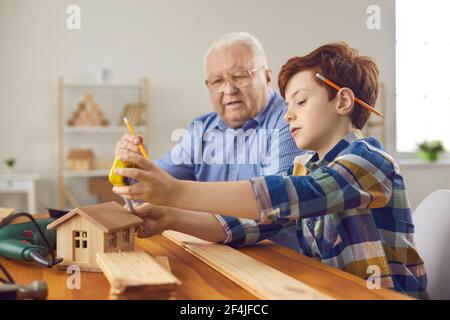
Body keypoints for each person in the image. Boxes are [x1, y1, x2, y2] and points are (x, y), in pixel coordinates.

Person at [112, 42, 428, 298]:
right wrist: (172, 218)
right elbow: (254, 224)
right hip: (331, 290)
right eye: (287, 107)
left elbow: (294, 195)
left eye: (300, 102)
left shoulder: (369, 159)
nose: (288, 116)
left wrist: (177, 192)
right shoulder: (306, 166)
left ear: (343, 101)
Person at [116, 32, 304, 250]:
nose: (229, 89)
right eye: (217, 81)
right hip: (216, 254)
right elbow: (157, 185)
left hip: (283, 262)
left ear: (267, 77)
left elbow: (276, 207)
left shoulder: (290, 121)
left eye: (240, 76)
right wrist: (134, 166)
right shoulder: (202, 128)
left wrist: (176, 207)